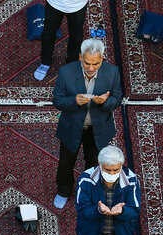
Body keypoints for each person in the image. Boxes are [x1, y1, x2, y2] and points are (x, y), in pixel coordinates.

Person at [51, 38, 122, 209]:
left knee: (94, 163)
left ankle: (88, 191)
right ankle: (63, 190)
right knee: (66, 162)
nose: (91, 68)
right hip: (72, 127)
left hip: (98, 129)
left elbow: (117, 99)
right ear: (80, 57)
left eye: (95, 64)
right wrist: (74, 100)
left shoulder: (112, 72)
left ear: (102, 59)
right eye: (87, 63)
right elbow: (57, 101)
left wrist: (103, 102)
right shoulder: (66, 72)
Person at [34, 0, 89, 81]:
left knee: (76, 37)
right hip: (55, 3)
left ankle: (72, 63)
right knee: (48, 34)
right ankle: (45, 62)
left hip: (78, 5)